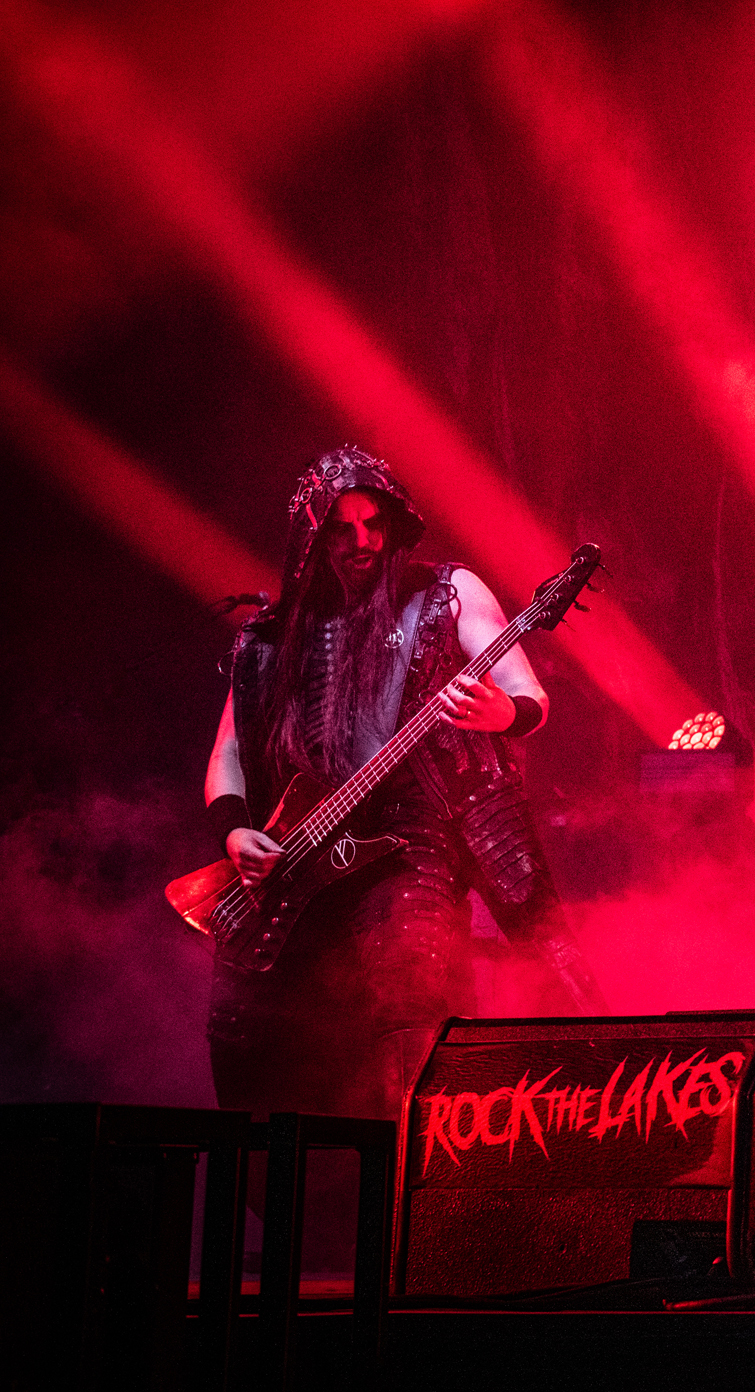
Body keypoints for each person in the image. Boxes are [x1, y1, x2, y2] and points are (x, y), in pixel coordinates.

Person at [201, 445, 601, 1124]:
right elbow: (229, 751)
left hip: (418, 835)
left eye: (372, 524)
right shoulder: (270, 639)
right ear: (312, 539)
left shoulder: (447, 593)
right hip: (308, 854)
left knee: (409, 997)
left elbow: (529, 695)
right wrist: (236, 831)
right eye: (342, 529)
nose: (361, 542)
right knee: (248, 1024)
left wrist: (503, 714)